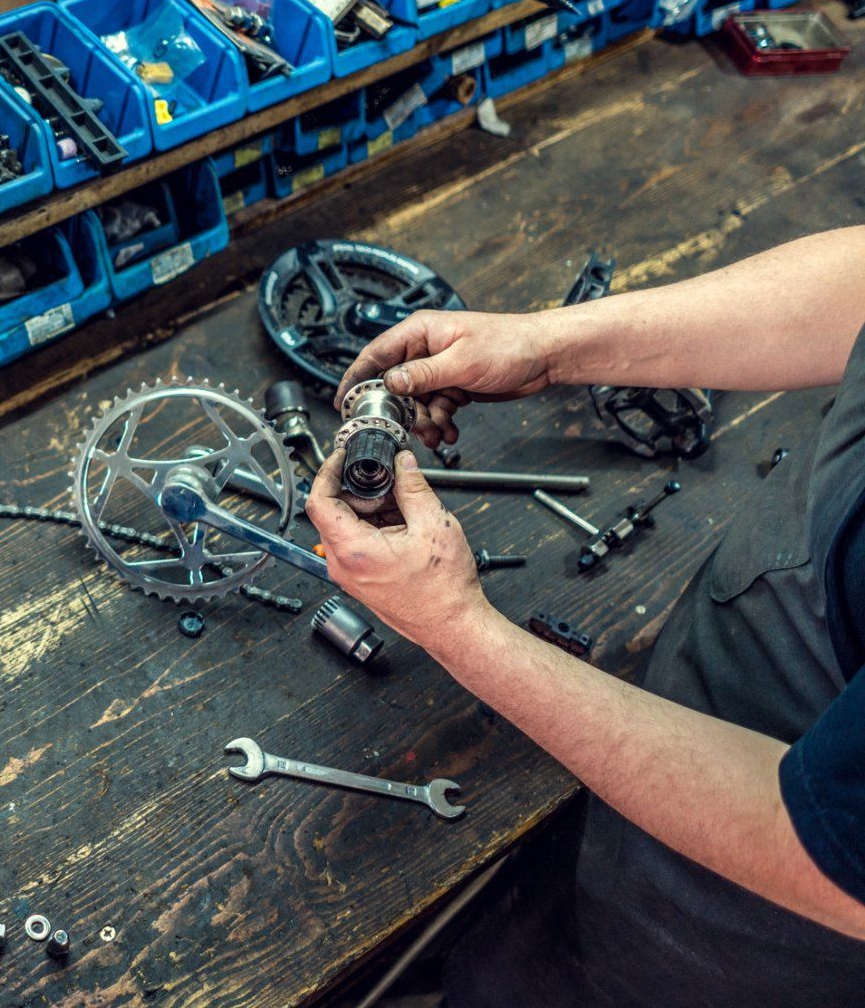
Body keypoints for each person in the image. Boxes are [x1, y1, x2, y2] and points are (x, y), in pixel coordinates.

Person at [305, 227, 865, 1008]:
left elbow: (828, 857)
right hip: (672, 732)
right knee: (507, 946)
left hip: (746, 934)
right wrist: (547, 346)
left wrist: (457, 625)